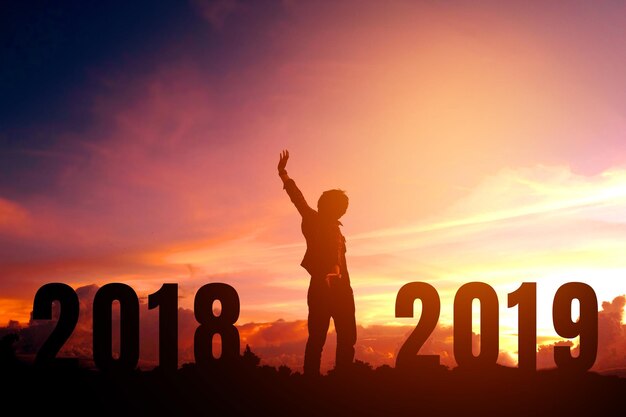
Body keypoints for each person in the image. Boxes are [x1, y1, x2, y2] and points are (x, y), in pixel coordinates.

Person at [277, 149, 357, 376]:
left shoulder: (338, 231)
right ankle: (311, 384)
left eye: (344, 206)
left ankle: (344, 380)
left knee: (347, 338)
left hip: (343, 291)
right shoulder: (312, 219)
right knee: (317, 339)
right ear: (328, 206)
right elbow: (297, 197)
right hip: (322, 289)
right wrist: (283, 174)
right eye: (341, 205)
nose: (343, 209)